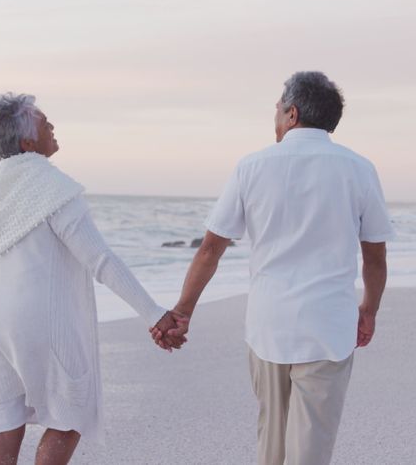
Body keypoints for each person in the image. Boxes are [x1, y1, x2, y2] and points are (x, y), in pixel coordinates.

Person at [156, 72, 395, 465]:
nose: (275, 118)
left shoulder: (252, 166)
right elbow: (375, 256)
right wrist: (368, 311)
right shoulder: (359, 168)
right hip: (328, 326)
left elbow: (210, 250)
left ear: (292, 113)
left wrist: (183, 311)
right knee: (311, 447)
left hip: (269, 323)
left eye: (277, 109)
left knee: (272, 440)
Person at [0, 93, 185, 465]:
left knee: (5, 426)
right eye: (46, 124)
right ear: (29, 143)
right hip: (33, 323)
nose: (53, 127)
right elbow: (100, 259)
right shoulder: (50, 185)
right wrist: (155, 314)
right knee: (72, 413)